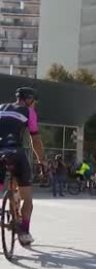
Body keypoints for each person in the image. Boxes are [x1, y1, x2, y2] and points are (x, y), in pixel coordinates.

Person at [0, 87, 45, 246]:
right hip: (15, 153)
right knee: (28, 198)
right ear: (29, 100)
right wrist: (42, 160)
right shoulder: (29, 112)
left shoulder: (1, 108)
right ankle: (24, 232)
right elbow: (36, 140)